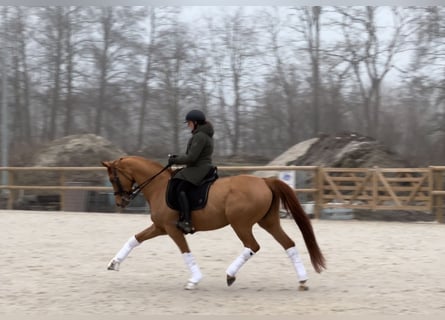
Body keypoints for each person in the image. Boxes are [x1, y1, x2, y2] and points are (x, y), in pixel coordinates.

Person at [168, 109, 215, 234]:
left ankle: (187, 221)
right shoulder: (202, 134)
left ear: (195, 122)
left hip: (199, 167)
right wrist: (177, 158)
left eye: (189, 122)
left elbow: (191, 157)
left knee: (181, 188)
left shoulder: (200, 136)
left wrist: (175, 160)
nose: (188, 125)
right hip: (198, 166)